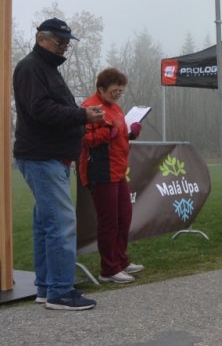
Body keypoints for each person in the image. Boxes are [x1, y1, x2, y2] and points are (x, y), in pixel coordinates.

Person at [13, 17, 105, 310]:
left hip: (52, 157)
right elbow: (41, 109)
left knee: (46, 224)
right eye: (60, 41)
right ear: (41, 39)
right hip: (42, 157)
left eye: (67, 42)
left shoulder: (47, 69)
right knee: (62, 224)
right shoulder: (31, 68)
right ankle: (61, 292)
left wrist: (80, 116)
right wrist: (81, 115)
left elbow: (54, 107)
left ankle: (46, 287)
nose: (65, 47)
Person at [77, 68, 144, 284]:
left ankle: (121, 260)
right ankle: (108, 269)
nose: (118, 94)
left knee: (124, 217)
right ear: (101, 88)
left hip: (118, 169)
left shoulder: (116, 108)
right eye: (114, 90)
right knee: (109, 221)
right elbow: (84, 139)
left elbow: (119, 135)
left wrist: (130, 133)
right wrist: (108, 133)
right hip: (101, 170)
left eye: (120, 91)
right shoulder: (89, 107)